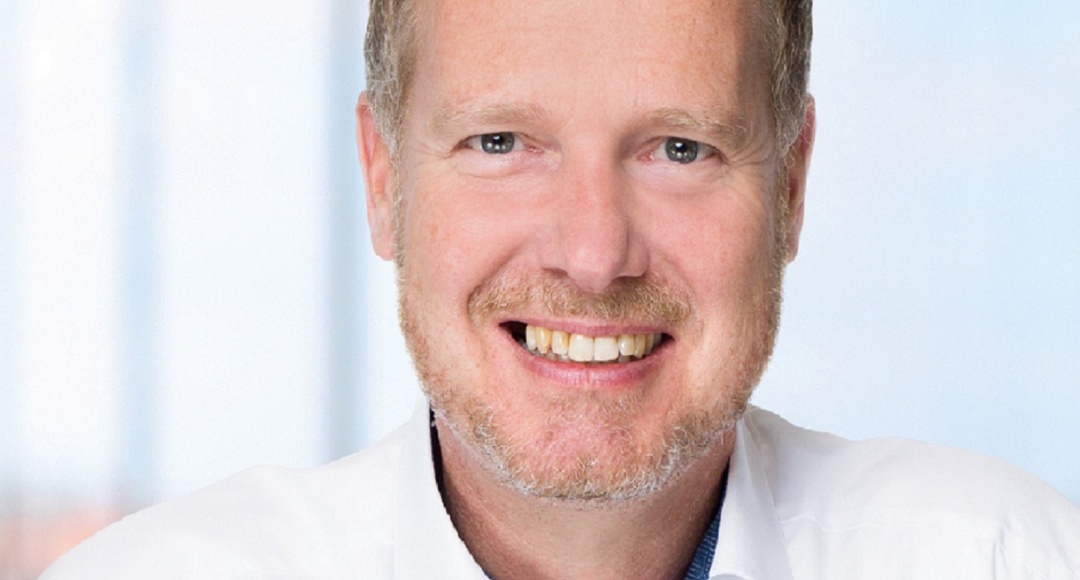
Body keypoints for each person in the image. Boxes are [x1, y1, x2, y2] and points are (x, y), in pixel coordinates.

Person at [43, 0, 1080, 577]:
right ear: (383, 179)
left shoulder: (1007, 561)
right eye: (501, 142)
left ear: (792, 186)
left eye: (680, 148)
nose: (593, 254)